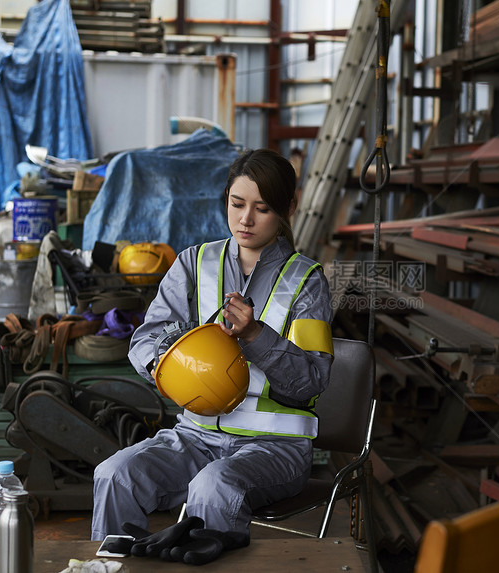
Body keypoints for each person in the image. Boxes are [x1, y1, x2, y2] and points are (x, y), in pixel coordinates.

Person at [91, 148, 334, 564]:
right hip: (196, 436)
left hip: (275, 446)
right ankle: (109, 569)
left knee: (213, 484)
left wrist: (256, 335)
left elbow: (311, 381)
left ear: (288, 208)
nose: (245, 219)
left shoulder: (307, 282)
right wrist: (165, 366)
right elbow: (146, 338)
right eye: (237, 204)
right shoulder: (194, 264)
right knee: (114, 475)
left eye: (262, 208)